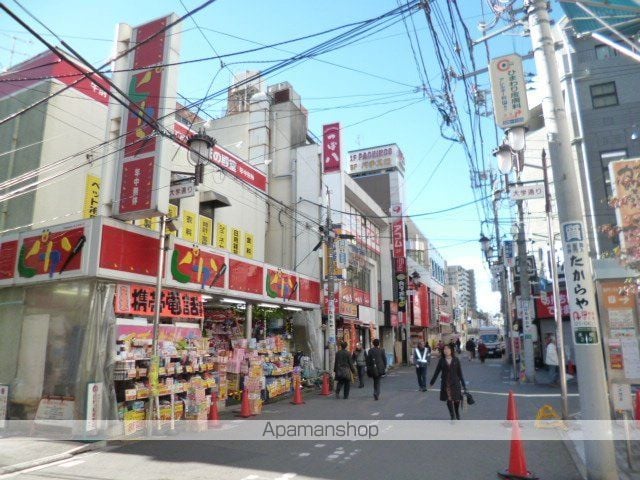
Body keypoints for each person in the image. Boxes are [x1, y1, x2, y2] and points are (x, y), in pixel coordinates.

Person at [429, 344, 467, 420]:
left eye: (448, 349)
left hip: (455, 382)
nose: (446, 350)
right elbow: (437, 372)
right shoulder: (441, 360)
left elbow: (460, 373)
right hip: (446, 383)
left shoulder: (456, 359)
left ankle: (456, 412)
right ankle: (452, 415)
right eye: (445, 349)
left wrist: (464, 385)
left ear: (451, 350)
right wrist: (432, 382)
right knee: (449, 399)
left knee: (456, 399)